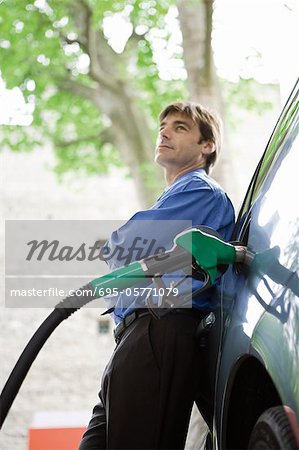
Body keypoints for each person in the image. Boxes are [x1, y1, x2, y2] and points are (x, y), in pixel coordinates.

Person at [78, 102, 235, 450]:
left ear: (206, 146)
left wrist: (119, 243)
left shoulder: (201, 192)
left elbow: (124, 247)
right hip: (136, 339)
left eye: (180, 127)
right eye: (163, 126)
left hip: (160, 331)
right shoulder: (174, 196)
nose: (164, 132)